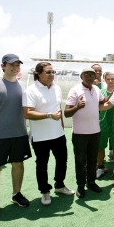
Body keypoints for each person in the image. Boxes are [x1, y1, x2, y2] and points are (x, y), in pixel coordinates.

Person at [0, 54, 32, 220]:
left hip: (19, 134)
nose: (15, 67)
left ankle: (16, 194)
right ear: (3, 66)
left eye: (17, 65)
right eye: (11, 64)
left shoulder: (22, 86)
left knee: (18, 164)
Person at [23, 62, 74, 206]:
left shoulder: (56, 88)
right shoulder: (31, 91)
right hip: (40, 136)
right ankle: (45, 191)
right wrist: (50, 116)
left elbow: (58, 109)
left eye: (53, 72)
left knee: (62, 160)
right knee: (42, 164)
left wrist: (61, 126)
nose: (52, 75)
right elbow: (27, 113)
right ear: (38, 74)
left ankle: (59, 185)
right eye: (48, 72)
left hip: (58, 134)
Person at [64, 67, 104, 198]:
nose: (90, 77)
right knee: (81, 161)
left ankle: (91, 182)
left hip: (95, 132)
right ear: (81, 76)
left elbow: (103, 102)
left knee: (93, 160)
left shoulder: (97, 89)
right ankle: (81, 185)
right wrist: (78, 106)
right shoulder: (75, 90)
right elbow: (66, 112)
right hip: (80, 133)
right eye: (86, 74)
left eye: (92, 75)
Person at [97, 72, 114, 178]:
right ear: (105, 80)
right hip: (103, 124)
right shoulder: (100, 92)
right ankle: (100, 168)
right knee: (100, 148)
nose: (110, 81)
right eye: (108, 79)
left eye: (112, 79)